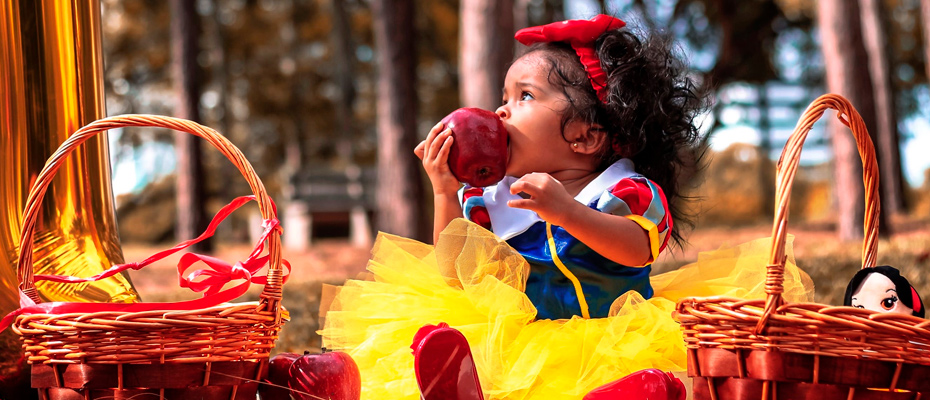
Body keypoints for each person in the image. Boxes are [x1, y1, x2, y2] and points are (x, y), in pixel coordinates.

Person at [319, 14, 814, 399]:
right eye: (503, 96)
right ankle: (462, 387)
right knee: (473, 350)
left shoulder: (625, 193)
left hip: (611, 336)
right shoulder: (492, 198)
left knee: (645, 376)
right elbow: (456, 273)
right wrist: (445, 191)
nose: (500, 111)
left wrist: (567, 212)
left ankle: (629, 393)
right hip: (519, 340)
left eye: (525, 96)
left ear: (585, 135)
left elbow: (635, 251)